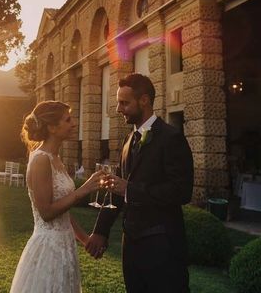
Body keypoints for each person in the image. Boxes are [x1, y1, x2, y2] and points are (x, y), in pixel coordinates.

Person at [85, 73, 194, 293]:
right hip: (131, 245)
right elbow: (118, 188)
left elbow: (182, 191)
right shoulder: (128, 140)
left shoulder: (171, 138)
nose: (118, 109)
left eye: (124, 103)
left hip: (162, 246)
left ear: (144, 100)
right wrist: (101, 230)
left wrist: (131, 190)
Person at [10, 101, 105, 293]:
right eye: (68, 119)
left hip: (65, 246)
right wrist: (83, 190)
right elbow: (46, 211)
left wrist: (84, 239)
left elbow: (63, 212)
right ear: (52, 127)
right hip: (48, 248)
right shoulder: (40, 160)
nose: (74, 124)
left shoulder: (56, 158)